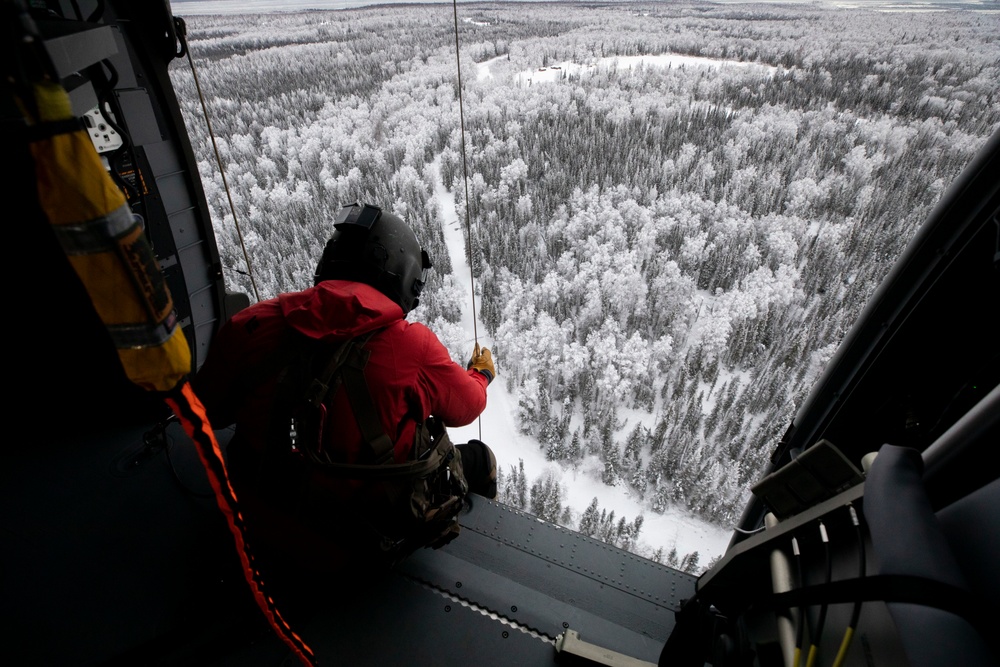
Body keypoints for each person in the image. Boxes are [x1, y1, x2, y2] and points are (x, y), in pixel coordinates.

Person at [193, 201, 496, 569]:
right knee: (480, 458)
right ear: (402, 277)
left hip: (247, 519)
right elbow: (468, 407)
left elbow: (209, 406)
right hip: (353, 548)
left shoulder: (253, 322)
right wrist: (481, 374)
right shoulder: (413, 347)